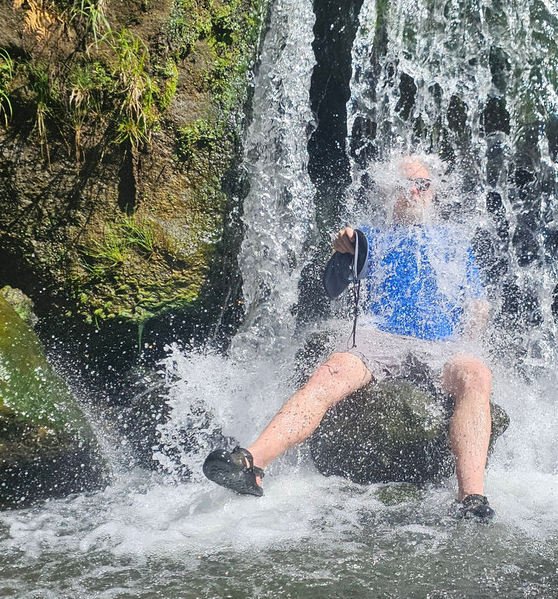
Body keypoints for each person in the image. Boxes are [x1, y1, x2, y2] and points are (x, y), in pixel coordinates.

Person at [204, 156, 496, 520]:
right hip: (378, 339)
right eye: (407, 186)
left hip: (441, 346)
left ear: (433, 191)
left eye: (423, 185)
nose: (416, 193)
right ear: (390, 192)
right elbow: (332, 288)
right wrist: (343, 250)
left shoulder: (453, 241)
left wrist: (468, 348)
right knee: (330, 373)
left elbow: (477, 307)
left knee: (477, 375)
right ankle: (251, 465)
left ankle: (472, 499)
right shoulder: (370, 236)